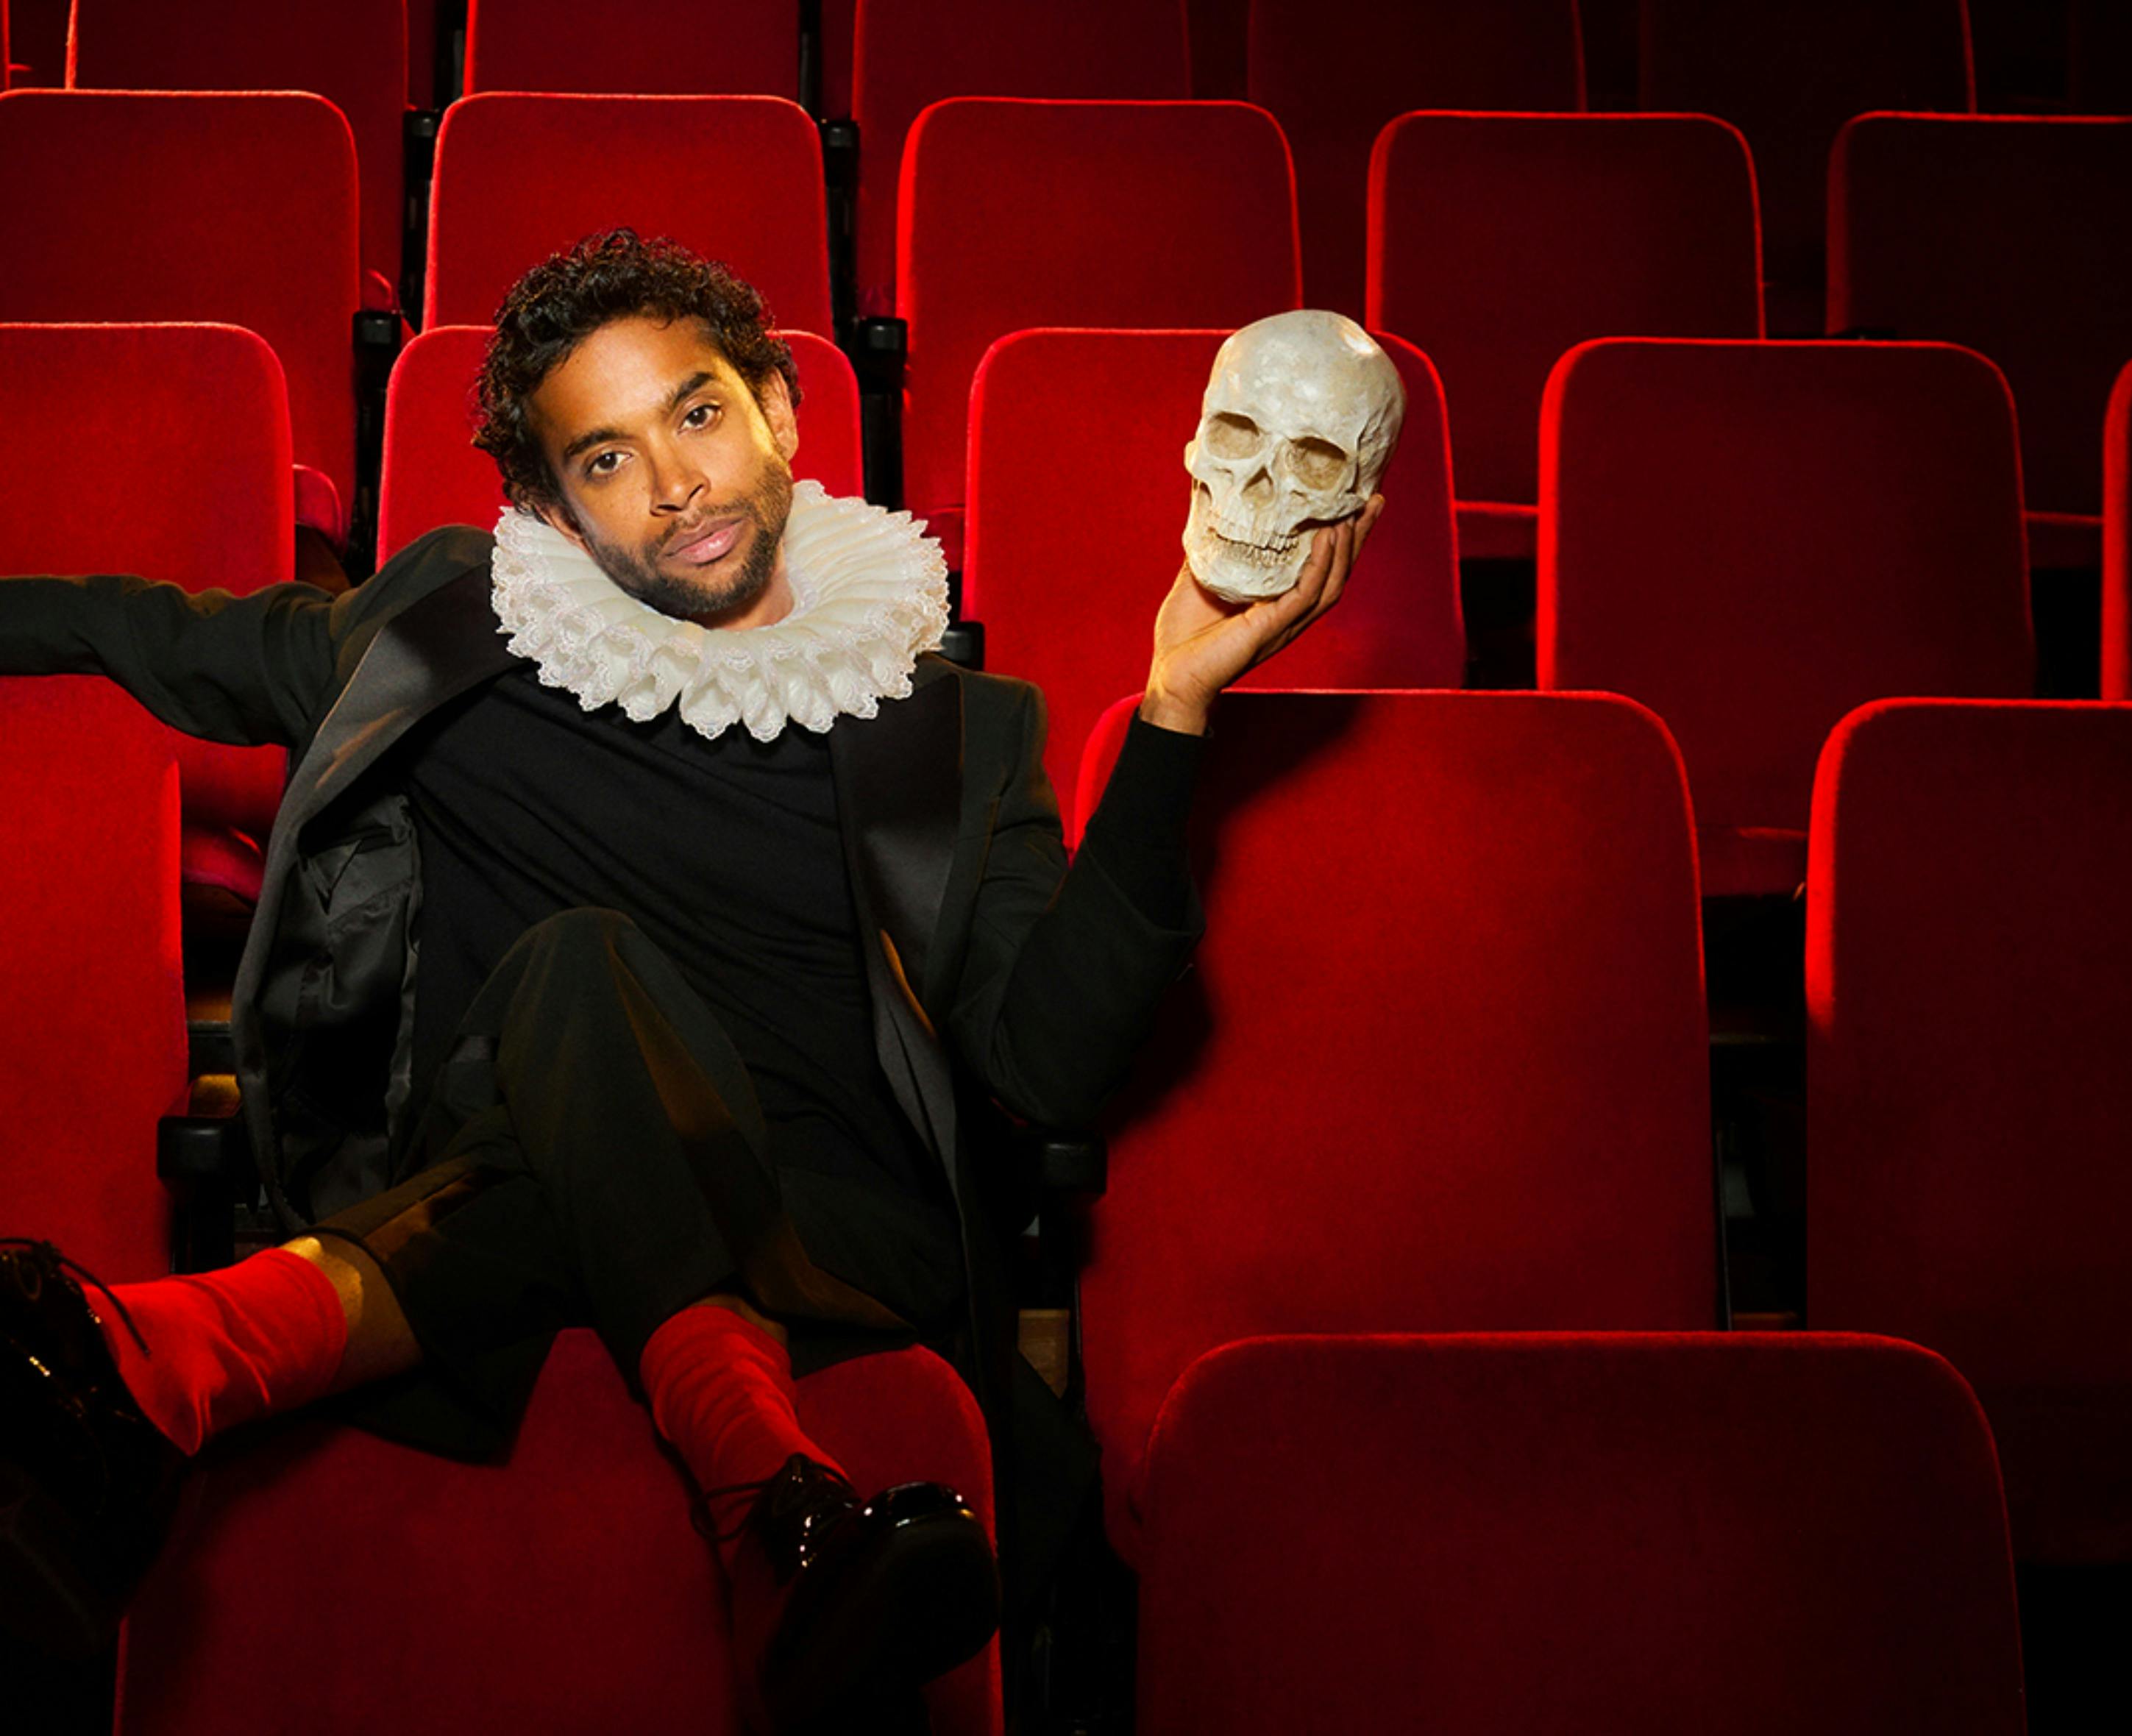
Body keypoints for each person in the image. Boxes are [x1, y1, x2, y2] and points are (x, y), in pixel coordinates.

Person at [0, 230, 1380, 1730]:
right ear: (550, 506)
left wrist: (1175, 703)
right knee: (580, 970)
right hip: (512, 1152)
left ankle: (161, 1355)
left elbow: (1045, 1072)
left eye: (700, 412)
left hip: (831, 1231)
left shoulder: (957, 727)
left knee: (576, 965)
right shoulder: (451, 629)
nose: (674, 483)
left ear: (778, 407)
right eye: (605, 458)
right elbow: (152, 633)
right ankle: (771, 1500)